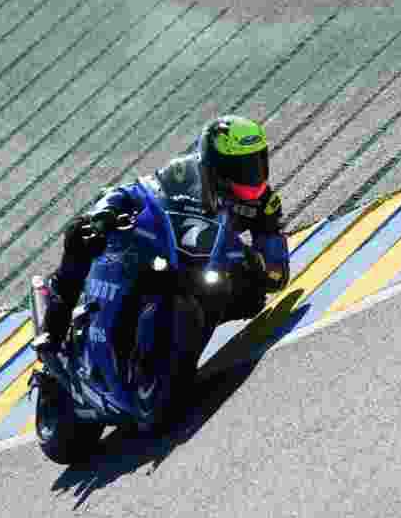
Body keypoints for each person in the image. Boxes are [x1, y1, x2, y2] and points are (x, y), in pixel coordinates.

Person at [35, 114, 290, 351]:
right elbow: (136, 191)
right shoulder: (183, 172)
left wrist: (257, 264)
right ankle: (55, 322)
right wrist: (107, 210)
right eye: (240, 166)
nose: (251, 172)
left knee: (254, 298)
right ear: (215, 163)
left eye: (256, 162)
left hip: (209, 269)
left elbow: (278, 273)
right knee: (81, 232)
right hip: (166, 250)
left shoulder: (265, 204)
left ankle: (180, 338)